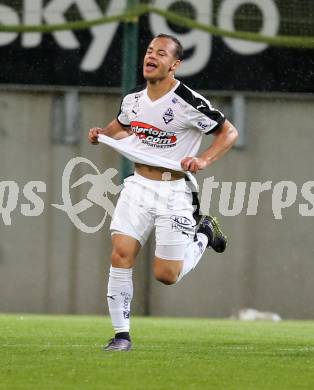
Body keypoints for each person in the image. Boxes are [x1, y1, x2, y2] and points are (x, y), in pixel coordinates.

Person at [88, 33, 238, 351]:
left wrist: (204, 159)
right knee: (121, 254)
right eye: (148, 51)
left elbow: (229, 132)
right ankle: (121, 336)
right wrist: (102, 133)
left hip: (174, 190)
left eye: (160, 53)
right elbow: (123, 124)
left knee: (166, 275)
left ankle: (203, 234)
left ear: (174, 65)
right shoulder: (133, 100)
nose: (151, 56)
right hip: (138, 186)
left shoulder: (187, 101)